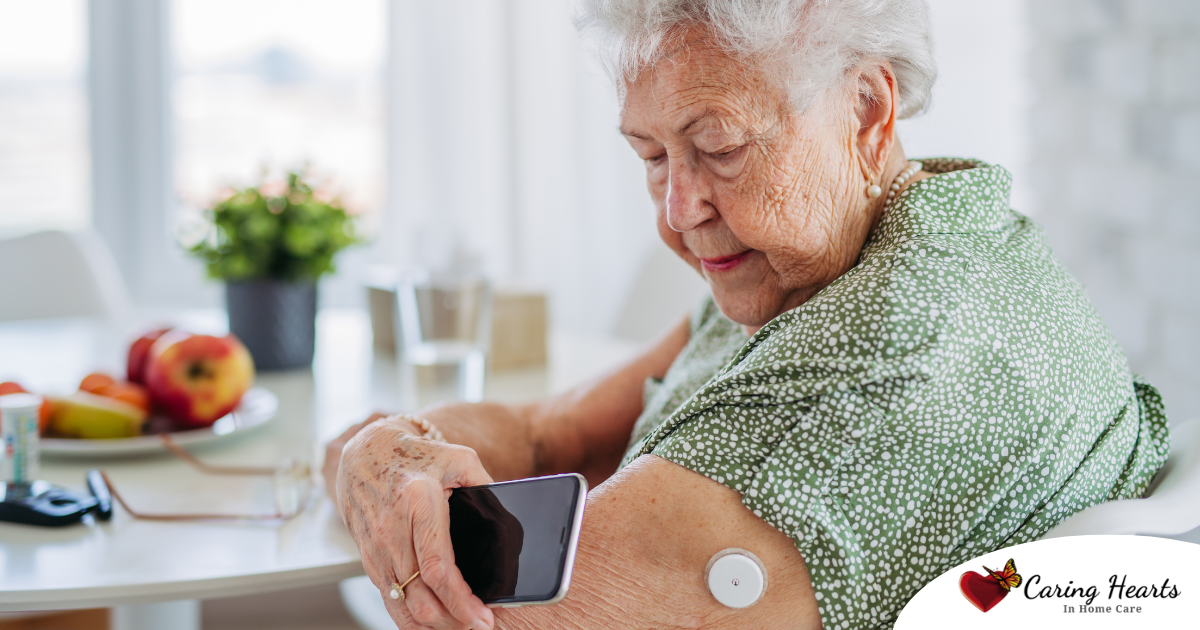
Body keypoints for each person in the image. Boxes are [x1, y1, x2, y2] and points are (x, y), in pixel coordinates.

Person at [323, 1, 1170, 628]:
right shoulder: (873, 249)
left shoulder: (881, 352)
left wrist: (376, 460)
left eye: (720, 147)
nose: (678, 209)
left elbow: (498, 611)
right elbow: (551, 434)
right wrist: (390, 454)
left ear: (867, 112)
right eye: (652, 157)